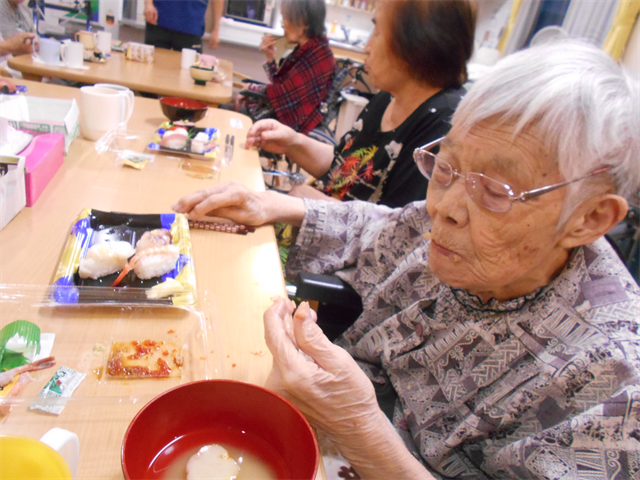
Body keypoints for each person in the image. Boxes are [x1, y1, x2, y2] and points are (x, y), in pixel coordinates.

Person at [172, 41, 640, 479]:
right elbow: (383, 223)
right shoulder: (453, 225)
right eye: (446, 167)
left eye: (496, 191)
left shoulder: (614, 387)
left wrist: (362, 432)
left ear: (589, 217)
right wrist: (273, 205)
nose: (444, 208)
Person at [248, 0, 475, 207]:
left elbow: (391, 234)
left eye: (377, 30)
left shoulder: (443, 127)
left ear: (418, 42)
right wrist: (292, 142)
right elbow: (344, 166)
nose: (367, 46)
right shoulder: (387, 97)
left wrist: (308, 206)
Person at [232, 0, 336, 136]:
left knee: (226, 113)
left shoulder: (319, 56)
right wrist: (270, 57)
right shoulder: (310, 49)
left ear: (302, 21)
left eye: (285, 18)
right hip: (283, 116)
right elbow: (281, 85)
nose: (283, 25)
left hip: (294, 127)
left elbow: (284, 92)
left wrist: (250, 88)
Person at [144, 0, 223, 52]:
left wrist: (216, 29)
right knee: (152, 70)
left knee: (189, 73)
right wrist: (148, 4)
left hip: (191, 27)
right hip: (159, 21)